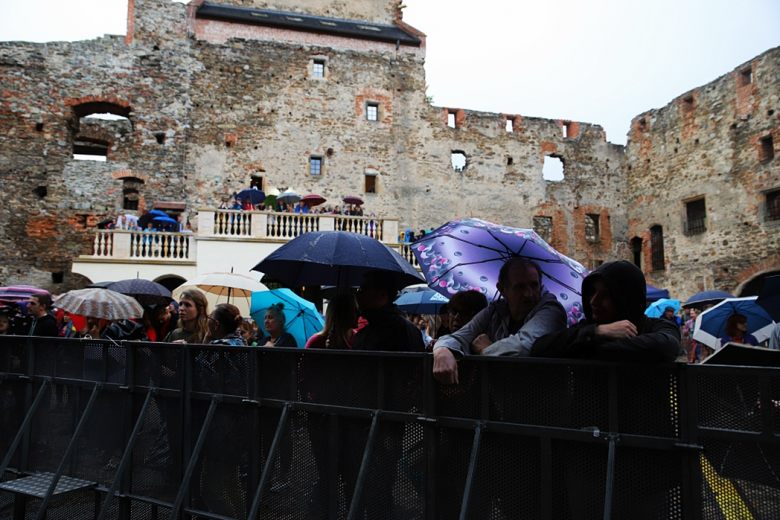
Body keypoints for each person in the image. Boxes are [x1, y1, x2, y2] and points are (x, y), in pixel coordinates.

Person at [432, 258, 566, 385]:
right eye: (520, 287)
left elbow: (522, 348)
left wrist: (485, 350)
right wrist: (442, 349)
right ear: (502, 289)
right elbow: (460, 336)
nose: (529, 294)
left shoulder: (551, 310)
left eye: (534, 285)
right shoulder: (494, 311)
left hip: (545, 403)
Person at [531, 260, 681, 362]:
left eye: (605, 295)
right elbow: (541, 347)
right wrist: (597, 332)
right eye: (592, 292)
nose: (593, 301)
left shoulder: (656, 327)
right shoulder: (587, 328)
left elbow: (666, 347)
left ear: (626, 299)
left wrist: (584, 349)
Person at [353, 271, 425, 352]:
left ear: (382, 295)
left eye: (363, 289)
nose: (357, 294)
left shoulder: (404, 331)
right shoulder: (364, 333)